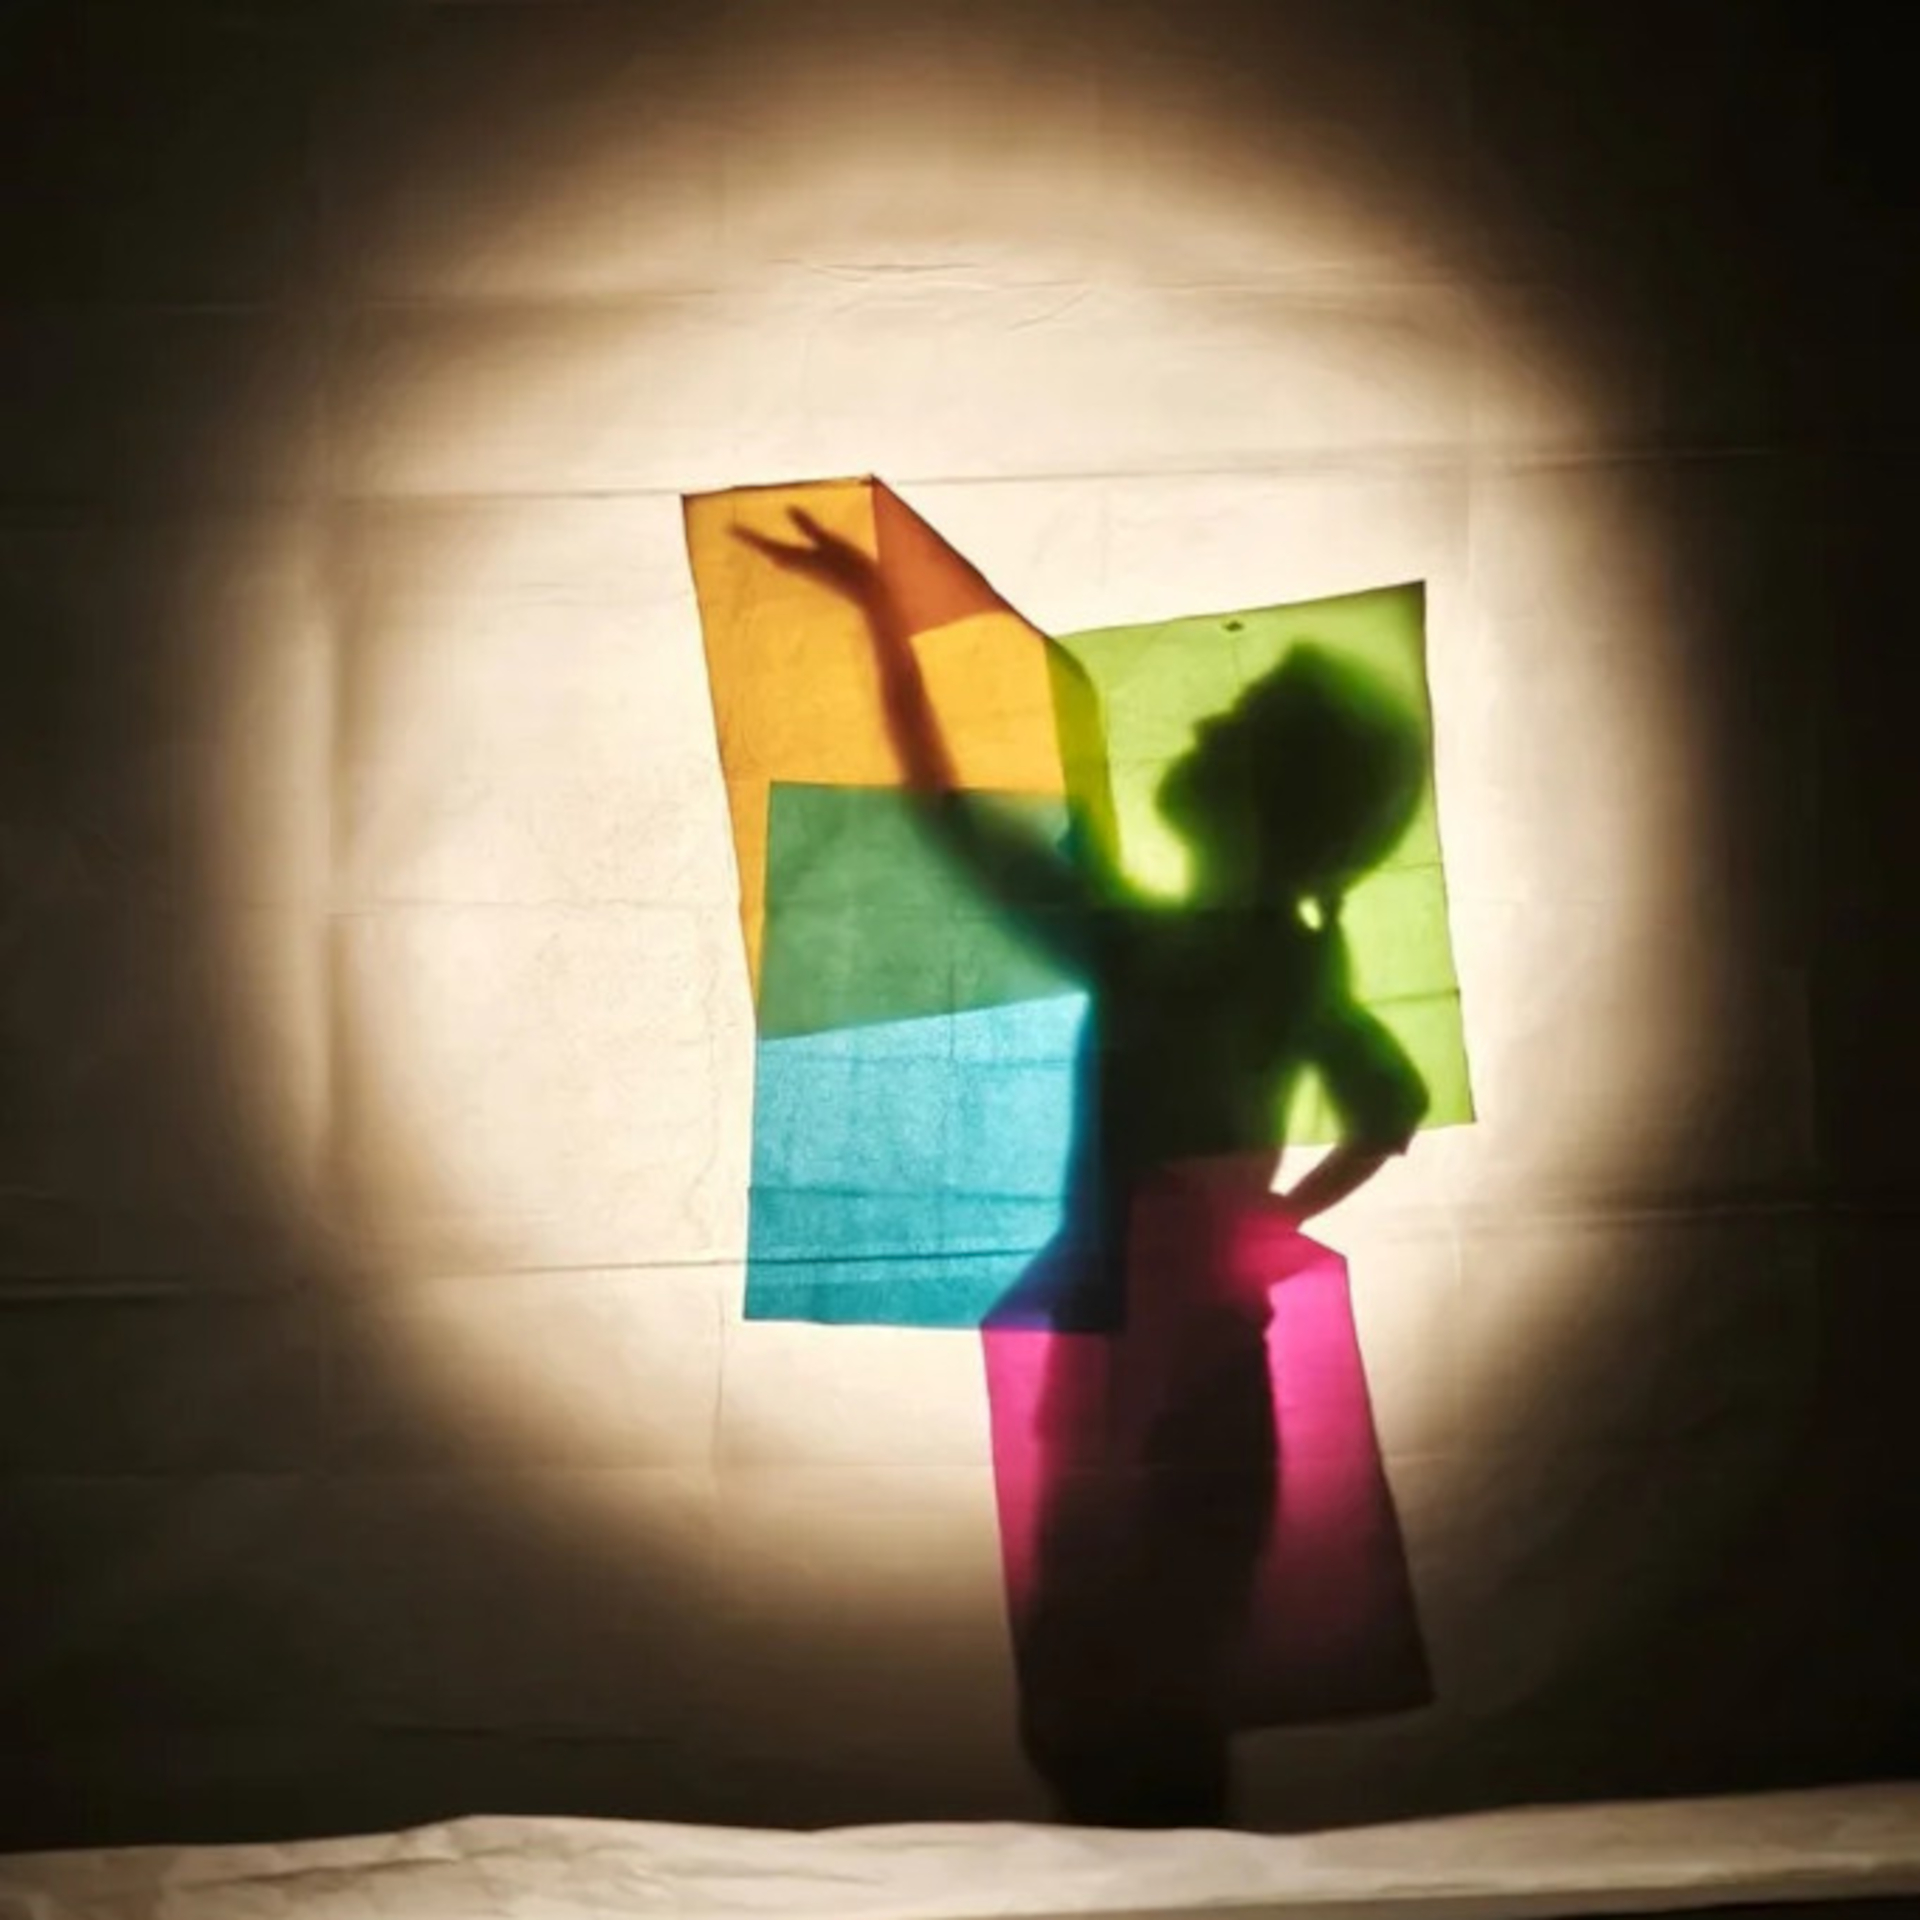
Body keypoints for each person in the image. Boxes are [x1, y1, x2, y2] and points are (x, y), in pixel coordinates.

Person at [740, 507, 1430, 1825]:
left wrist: (1245, 1226)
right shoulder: (1238, 952)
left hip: (1171, 1382)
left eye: (1230, 731)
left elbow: (953, 821)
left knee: (1125, 1706)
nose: (1199, 732)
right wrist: (1252, 1219)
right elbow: (1385, 1107)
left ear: (1267, 800)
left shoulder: (1201, 954)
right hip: (1148, 1361)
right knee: (1122, 1706)